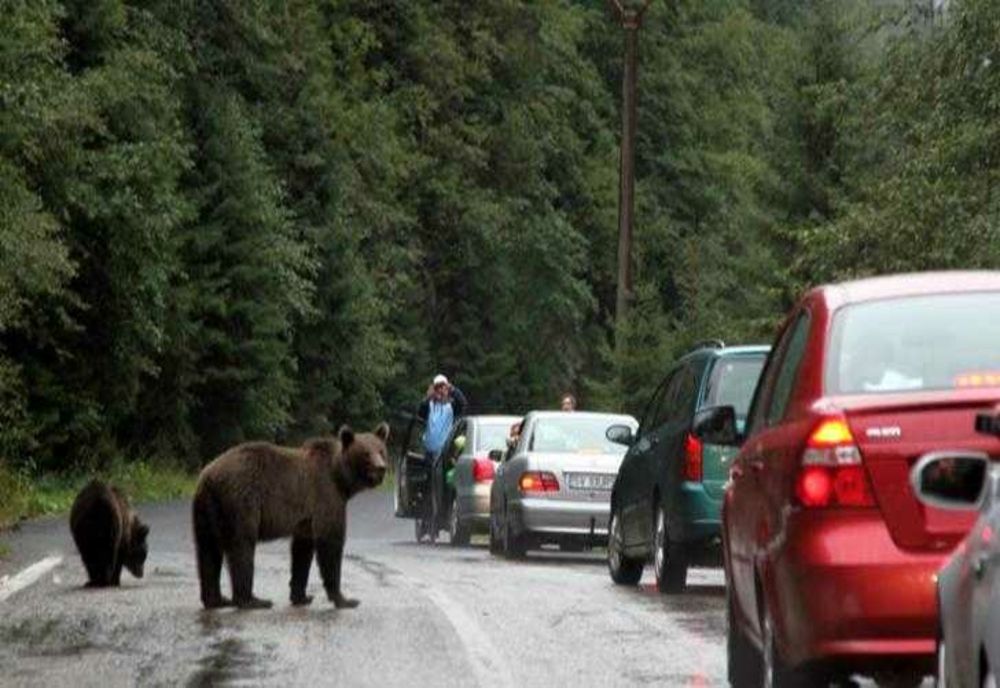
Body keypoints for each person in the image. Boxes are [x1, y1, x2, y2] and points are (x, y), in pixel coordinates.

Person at [415, 374, 468, 542]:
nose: (440, 391)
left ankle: (439, 522)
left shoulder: (451, 407)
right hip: (430, 454)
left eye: (442, 387)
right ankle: (426, 523)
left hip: (444, 455)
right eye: (437, 388)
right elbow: (420, 411)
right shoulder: (429, 405)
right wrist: (428, 396)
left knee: (442, 488)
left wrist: (452, 389)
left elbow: (463, 404)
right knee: (427, 488)